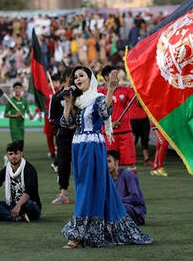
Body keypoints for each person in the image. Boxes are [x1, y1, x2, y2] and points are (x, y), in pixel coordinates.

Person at [60, 66, 153, 248]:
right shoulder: (77, 101)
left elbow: (105, 113)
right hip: (78, 147)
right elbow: (67, 123)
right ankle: (96, 229)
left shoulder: (97, 98)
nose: (78, 79)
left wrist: (110, 89)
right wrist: (68, 103)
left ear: (90, 79)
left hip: (92, 146)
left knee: (87, 187)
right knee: (86, 187)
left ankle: (77, 235)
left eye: (82, 76)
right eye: (75, 77)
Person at [0, 141, 41, 222]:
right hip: (13, 205)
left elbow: (28, 192)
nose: (13, 156)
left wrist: (18, 206)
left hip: (29, 205)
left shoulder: (29, 169)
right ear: (7, 155)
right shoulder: (6, 170)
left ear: (21, 154)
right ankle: (16, 217)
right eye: (10, 154)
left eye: (16, 153)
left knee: (30, 204)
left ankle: (4, 216)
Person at [98, 65, 137, 173]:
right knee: (109, 165)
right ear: (106, 78)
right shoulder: (99, 93)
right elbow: (96, 114)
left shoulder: (126, 90)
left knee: (131, 165)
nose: (117, 76)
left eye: (117, 74)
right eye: (113, 74)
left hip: (126, 133)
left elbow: (138, 104)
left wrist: (139, 89)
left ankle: (131, 188)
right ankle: (110, 189)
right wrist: (109, 123)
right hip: (108, 134)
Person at [48, 69, 76, 205]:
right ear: (64, 79)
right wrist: (63, 126)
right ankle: (63, 193)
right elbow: (51, 119)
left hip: (79, 135)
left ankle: (86, 193)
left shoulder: (80, 96)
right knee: (64, 164)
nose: (74, 79)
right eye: (71, 77)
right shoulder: (56, 97)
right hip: (63, 136)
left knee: (82, 164)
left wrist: (75, 125)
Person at [108, 150, 147, 225]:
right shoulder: (106, 178)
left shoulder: (128, 175)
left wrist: (116, 200)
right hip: (115, 210)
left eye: (109, 161)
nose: (106, 164)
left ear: (116, 162)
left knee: (122, 207)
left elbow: (136, 198)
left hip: (135, 213)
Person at [4, 82, 34, 150]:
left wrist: (31, 116)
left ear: (22, 89)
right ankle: (16, 157)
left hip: (21, 124)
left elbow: (29, 114)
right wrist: (15, 115)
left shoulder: (24, 101)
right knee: (15, 142)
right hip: (13, 124)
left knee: (21, 141)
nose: (18, 90)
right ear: (13, 90)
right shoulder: (11, 101)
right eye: (16, 88)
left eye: (19, 88)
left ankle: (20, 156)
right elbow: (5, 115)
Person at [130, 98, 153, 166]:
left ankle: (146, 159)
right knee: (133, 140)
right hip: (133, 119)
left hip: (144, 118)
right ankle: (131, 159)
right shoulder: (129, 90)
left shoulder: (143, 90)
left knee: (145, 139)